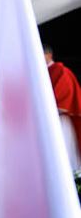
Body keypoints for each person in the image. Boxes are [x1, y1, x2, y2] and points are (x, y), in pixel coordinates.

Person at [45, 42, 81, 173]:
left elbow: (65, 99)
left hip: (59, 121)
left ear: (49, 55)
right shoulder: (39, 73)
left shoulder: (61, 72)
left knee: (62, 156)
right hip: (44, 122)